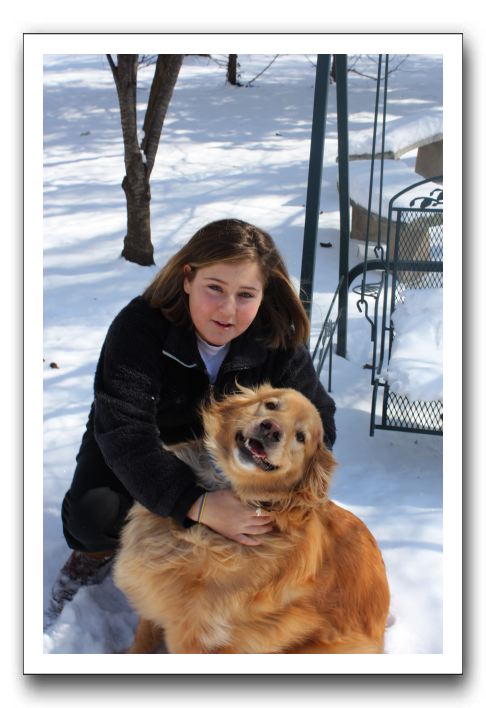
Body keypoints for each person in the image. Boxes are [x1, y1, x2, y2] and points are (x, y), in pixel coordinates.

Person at [46, 218, 336, 624]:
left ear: (264, 293)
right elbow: (124, 430)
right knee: (94, 515)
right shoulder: (140, 327)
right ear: (187, 278)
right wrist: (196, 503)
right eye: (214, 288)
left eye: (246, 294)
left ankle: (229, 597)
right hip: (145, 444)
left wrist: (267, 483)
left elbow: (320, 421)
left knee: (276, 530)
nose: (228, 310)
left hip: (230, 458)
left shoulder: (277, 339)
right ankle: (92, 555)